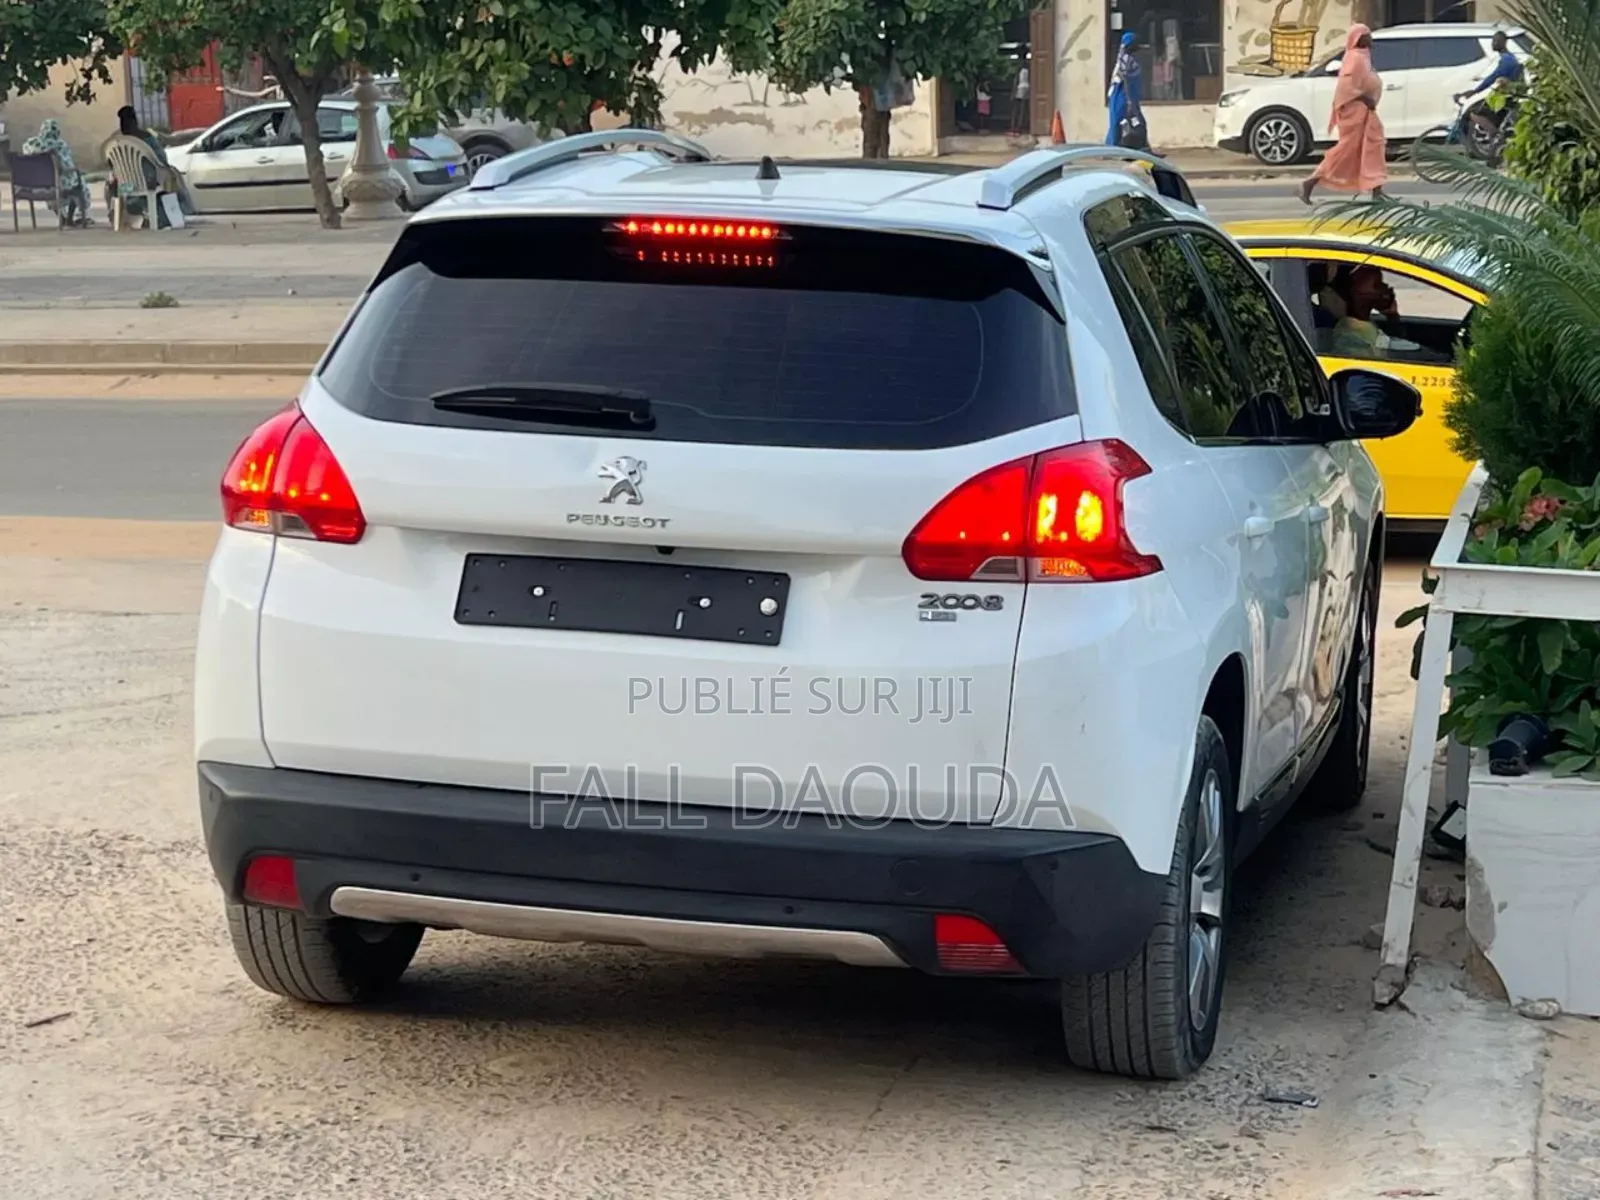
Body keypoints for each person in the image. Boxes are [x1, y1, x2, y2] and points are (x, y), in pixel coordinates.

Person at [1298, 25, 1386, 205]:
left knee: (1373, 146)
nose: (1370, 39)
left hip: (1366, 111)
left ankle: (1376, 190)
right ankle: (1311, 182)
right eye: (1366, 36)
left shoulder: (1363, 57)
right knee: (1345, 150)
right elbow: (1346, 87)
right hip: (1355, 112)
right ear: (1358, 39)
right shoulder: (1354, 58)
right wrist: (1364, 98)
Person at [106, 105, 195, 221]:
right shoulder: (146, 137)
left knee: (109, 183)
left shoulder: (116, 141)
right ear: (135, 120)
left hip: (125, 187)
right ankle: (180, 212)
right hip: (148, 183)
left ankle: (115, 214)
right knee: (173, 175)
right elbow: (162, 159)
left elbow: (111, 163)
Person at [1325, 266, 1420, 357]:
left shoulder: (1364, 324)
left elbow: (1398, 345)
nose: (1386, 287)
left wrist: (1392, 316)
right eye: (1377, 285)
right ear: (1357, 293)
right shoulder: (1351, 335)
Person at [1450, 30, 1522, 145]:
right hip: (1505, 95)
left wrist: (1476, 91)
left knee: (1473, 112)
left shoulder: (1507, 60)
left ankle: (1495, 136)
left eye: (1496, 41)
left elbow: (1493, 77)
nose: (1493, 43)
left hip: (1504, 97)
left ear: (1503, 42)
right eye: (1493, 41)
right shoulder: (1508, 58)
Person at [19, 118, 93, 227]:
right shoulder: (59, 145)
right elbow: (68, 166)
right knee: (78, 183)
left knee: (52, 181)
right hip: (58, 184)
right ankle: (71, 218)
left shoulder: (30, 144)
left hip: (37, 185)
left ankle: (62, 217)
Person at [1107, 31, 1142, 147]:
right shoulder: (1125, 59)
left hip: (1128, 95)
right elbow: (1125, 79)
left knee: (1137, 122)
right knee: (1118, 121)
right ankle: (1113, 147)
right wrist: (1129, 99)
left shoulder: (1128, 59)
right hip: (1121, 94)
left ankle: (1142, 146)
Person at [1011, 63, 1031, 136]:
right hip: (1027, 87)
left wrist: (1013, 93)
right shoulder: (1029, 70)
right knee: (1022, 109)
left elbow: (1016, 81)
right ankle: (1019, 126)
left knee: (1016, 109)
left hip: (1020, 88)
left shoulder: (1019, 71)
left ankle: (1014, 127)